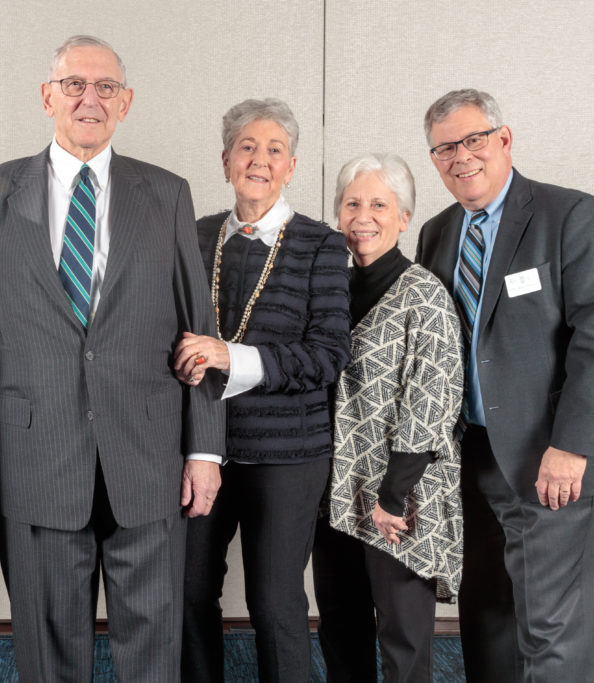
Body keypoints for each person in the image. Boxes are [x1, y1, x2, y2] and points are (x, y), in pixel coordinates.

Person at [0, 35, 225, 682]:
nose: (89, 98)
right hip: (34, 454)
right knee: (48, 645)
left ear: (126, 103)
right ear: (47, 96)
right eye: (74, 84)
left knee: (153, 640)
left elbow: (200, 327)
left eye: (105, 87)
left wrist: (205, 449)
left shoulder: (166, 194)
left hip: (148, 451)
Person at [416, 89, 594, 682]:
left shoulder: (570, 214)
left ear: (504, 139)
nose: (460, 157)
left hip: (554, 460)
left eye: (473, 140)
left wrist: (571, 448)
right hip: (473, 461)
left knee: (552, 629)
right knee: (487, 624)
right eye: (444, 148)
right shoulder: (437, 234)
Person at [174, 98, 351, 682]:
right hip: (201, 449)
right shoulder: (192, 237)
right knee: (188, 593)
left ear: (292, 166)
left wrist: (229, 355)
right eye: (247, 147)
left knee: (276, 605)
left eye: (275, 150)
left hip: (288, 455)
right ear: (225, 160)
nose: (260, 159)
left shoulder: (323, 245)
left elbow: (328, 356)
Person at [311, 154, 463, 683]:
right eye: (352, 204)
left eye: (379, 204)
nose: (363, 216)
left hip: (401, 499)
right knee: (340, 630)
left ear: (404, 217)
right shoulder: (329, 291)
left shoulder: (426, 295)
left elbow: (429, 404)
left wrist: (391, 498)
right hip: (336, 493)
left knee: (401, 641)